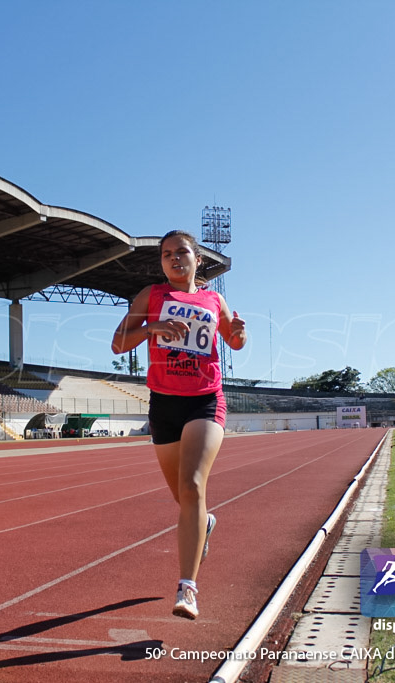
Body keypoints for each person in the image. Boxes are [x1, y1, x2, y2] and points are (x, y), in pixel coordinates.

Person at [111, 230, 246, 620]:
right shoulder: (150, 297)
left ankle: (188, 588)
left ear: (197, 259)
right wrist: (150, 329)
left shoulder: (213, 299)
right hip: (164, 404)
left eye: (181, 252)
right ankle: (204, 524)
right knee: (183, 499)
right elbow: (118, 344)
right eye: (167, 254)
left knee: (192, 486)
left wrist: (238, 334)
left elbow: (232, 340)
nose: (174, 259)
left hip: (205, 400)